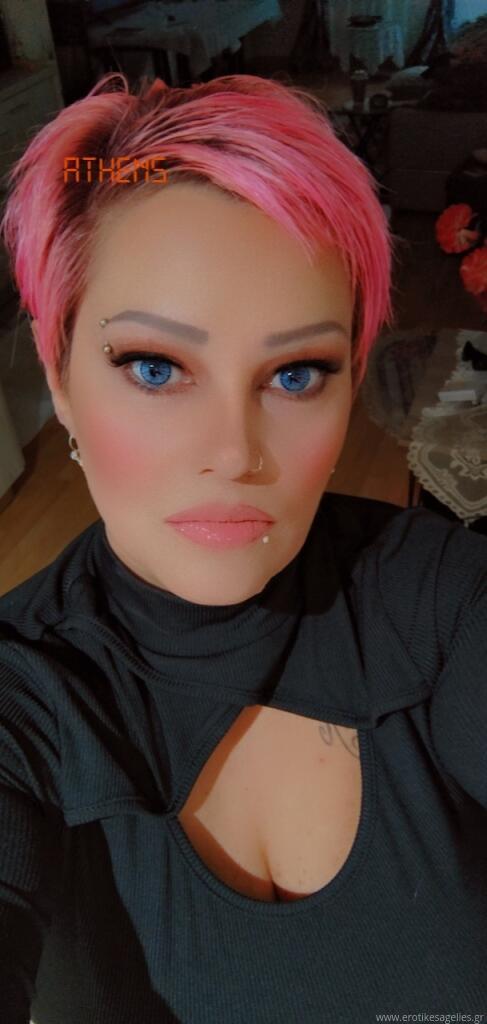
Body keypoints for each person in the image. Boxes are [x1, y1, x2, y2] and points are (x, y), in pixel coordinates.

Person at [0, 70, 485, 1024]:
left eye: (295, 373)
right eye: (154, 367)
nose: (234, 453)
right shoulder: (24, 693)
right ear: (59, 380)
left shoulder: (445, 601)